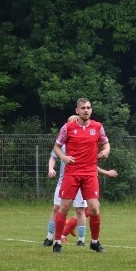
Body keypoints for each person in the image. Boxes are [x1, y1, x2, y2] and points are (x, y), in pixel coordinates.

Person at [43, 115, 119, 247]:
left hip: (85, 177)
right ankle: (51, 238)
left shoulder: (88, 137)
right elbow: (53, 155)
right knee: (58, 208)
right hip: (65, 179)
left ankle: (82, 240)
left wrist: (106, 169)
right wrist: (51, 168)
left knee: (82, 210)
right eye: (72, 123)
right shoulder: (64, 142)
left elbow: (92, 163)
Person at [50, 98, 111, 253]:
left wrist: (106, 150)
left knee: (95, 208)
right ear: (77, 110)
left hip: (90, 173)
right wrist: (63, 157)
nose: (86, 110)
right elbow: (56, 147)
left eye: (89, 107)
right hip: (72, 173)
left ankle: (95, 242)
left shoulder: (97, 127)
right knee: (63, 207)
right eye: (83, 108)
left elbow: (105, 143)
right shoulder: (68, 127)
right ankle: (57, 242)